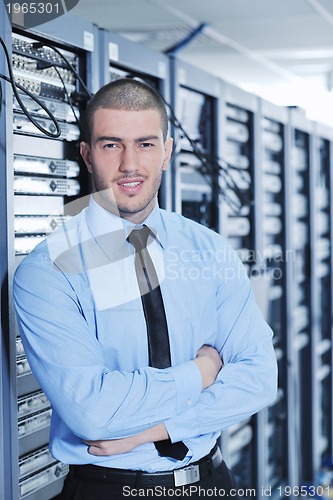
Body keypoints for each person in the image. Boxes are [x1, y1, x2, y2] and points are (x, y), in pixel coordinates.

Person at [14, 78, 277, 500]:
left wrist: (145, 433)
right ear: (85, 154)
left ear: (168, 152)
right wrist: (202, 373)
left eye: (146, 144)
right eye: (111, 145)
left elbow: (260, 379)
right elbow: (92, 412)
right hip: (106, 490)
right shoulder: (49, 268)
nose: (129, 164)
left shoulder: (207, 248)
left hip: (211, 483)